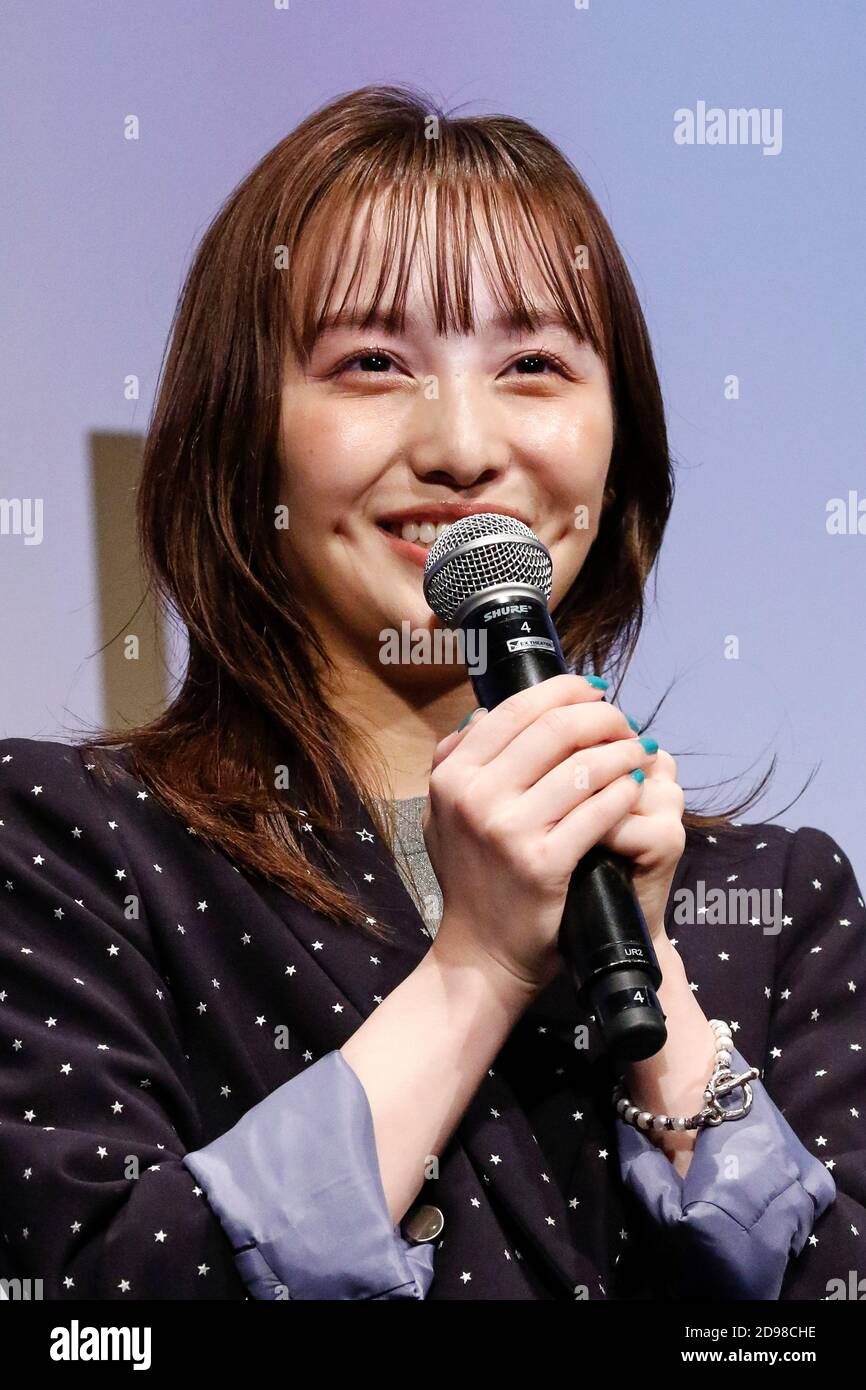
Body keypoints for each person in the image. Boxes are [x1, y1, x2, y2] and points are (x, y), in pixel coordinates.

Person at [0, 84, 863, 1302]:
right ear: (242, 435)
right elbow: (95, 1305)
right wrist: (474, 970)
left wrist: (657, 992)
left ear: (618, 449)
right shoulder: (71, 846)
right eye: (370, 361)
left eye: (531, 363)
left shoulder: (776, 902)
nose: (461, 444)